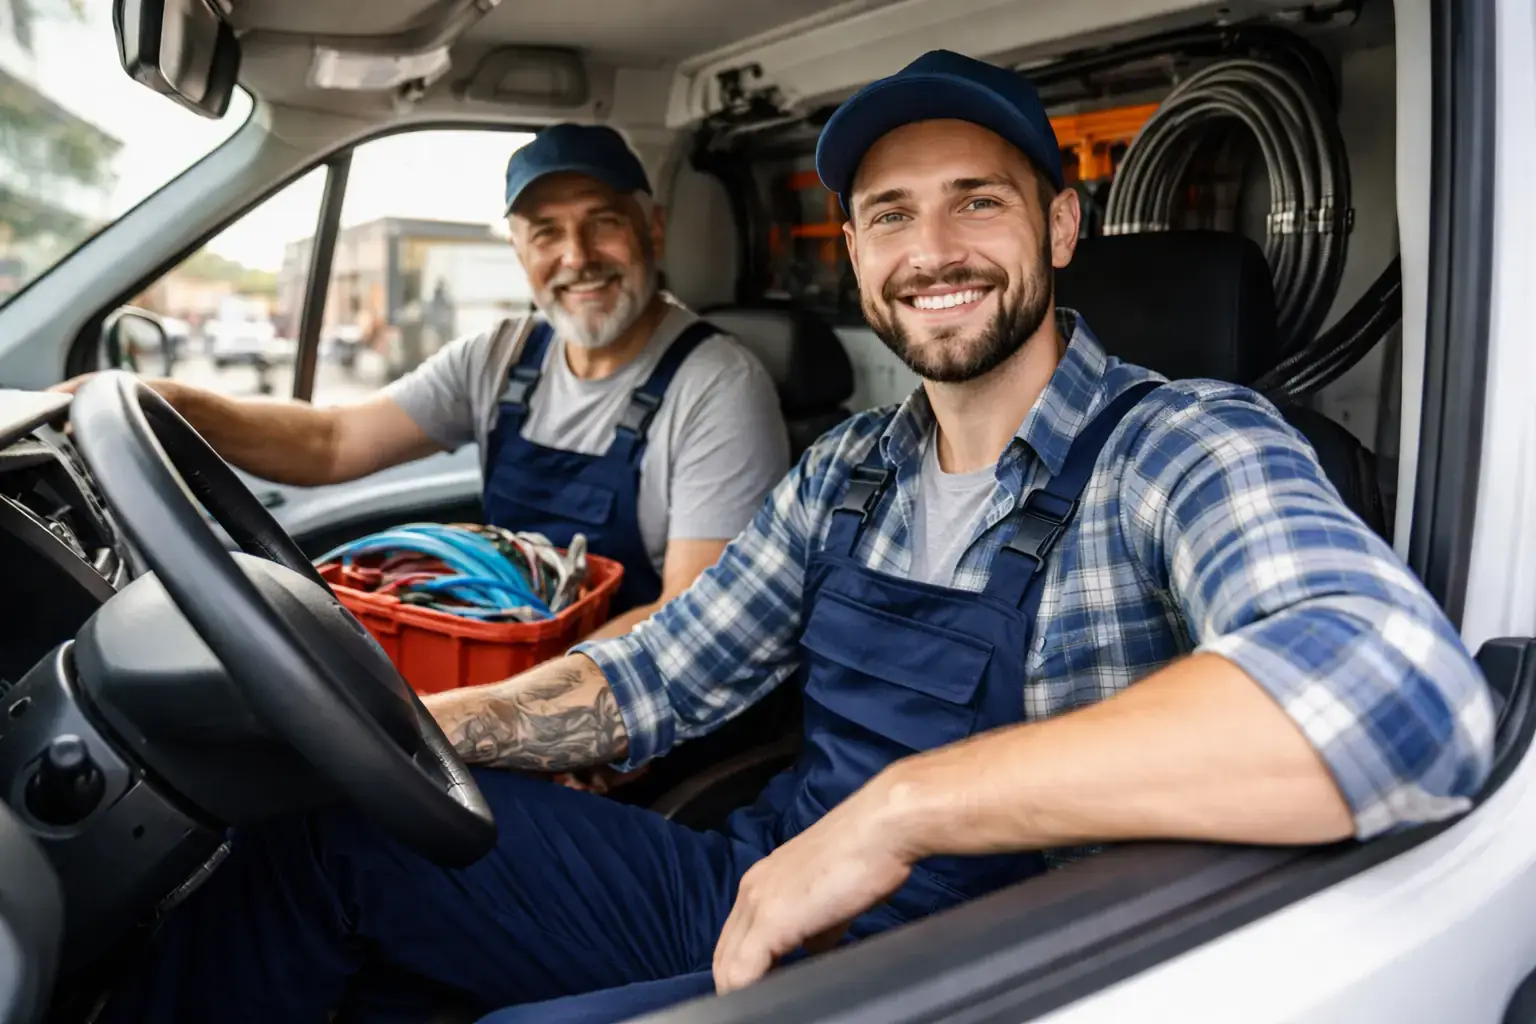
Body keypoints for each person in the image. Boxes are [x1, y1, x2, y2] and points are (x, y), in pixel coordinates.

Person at [95, 50, 1495, 1024]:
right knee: (328, 844)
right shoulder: (854, 467)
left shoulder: (1187, 442)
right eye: (890, 213)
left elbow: (1397, 698)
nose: (931, 244)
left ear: (1062, 225)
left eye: (978, 202)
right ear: (857, 254)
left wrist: (904, 809)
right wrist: (395, 730)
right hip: (757, 876)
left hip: (997, 954)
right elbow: (648, 680)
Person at [56, 123, 790, 639]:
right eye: (546, 233)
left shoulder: (717, 384)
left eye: (603, 224)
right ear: (518, 249)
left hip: (627, 696)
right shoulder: (502, 355)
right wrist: (168, 402)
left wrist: (530, 694)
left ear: (651, 231)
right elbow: (332, 442)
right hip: (503, 652)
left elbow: (697, 614)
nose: (577, 256)